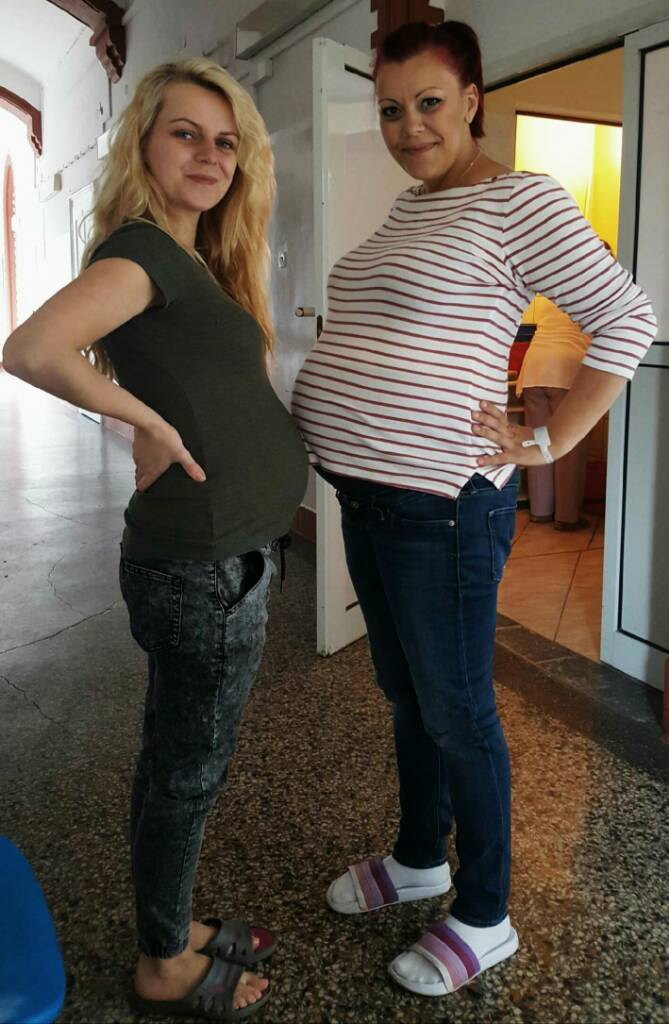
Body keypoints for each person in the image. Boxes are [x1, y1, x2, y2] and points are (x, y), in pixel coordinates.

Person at [292, 20, 655, 999]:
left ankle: (486, 913)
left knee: (456, 709)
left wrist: (548, 440)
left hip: (442, 511)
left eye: (428, 104)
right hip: (368, 499)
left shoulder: (519, 200)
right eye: (390, 109)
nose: (408, 126)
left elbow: (628, 318)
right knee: (407, 692)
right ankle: (420, 856)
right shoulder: (411, 206)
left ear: (472, 99)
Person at [3, 58, 308, 1021]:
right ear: (143, 143)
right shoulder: (142, 252)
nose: (209, 155)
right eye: (185, 133)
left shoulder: (187, 256)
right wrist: (148, 421)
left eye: (225, 141)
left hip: (213, 560)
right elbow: (29, 347)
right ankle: (163, 964)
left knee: (172, 761)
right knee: (188, 774)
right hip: (202, 570)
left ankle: (167, 927)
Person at [517, 294, 594, 529]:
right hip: (566, 368)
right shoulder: (591, 293)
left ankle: (540, 511)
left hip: (533, 369)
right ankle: (567, 517)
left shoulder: (546, 294)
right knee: (568, 444)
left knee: (538, 441)